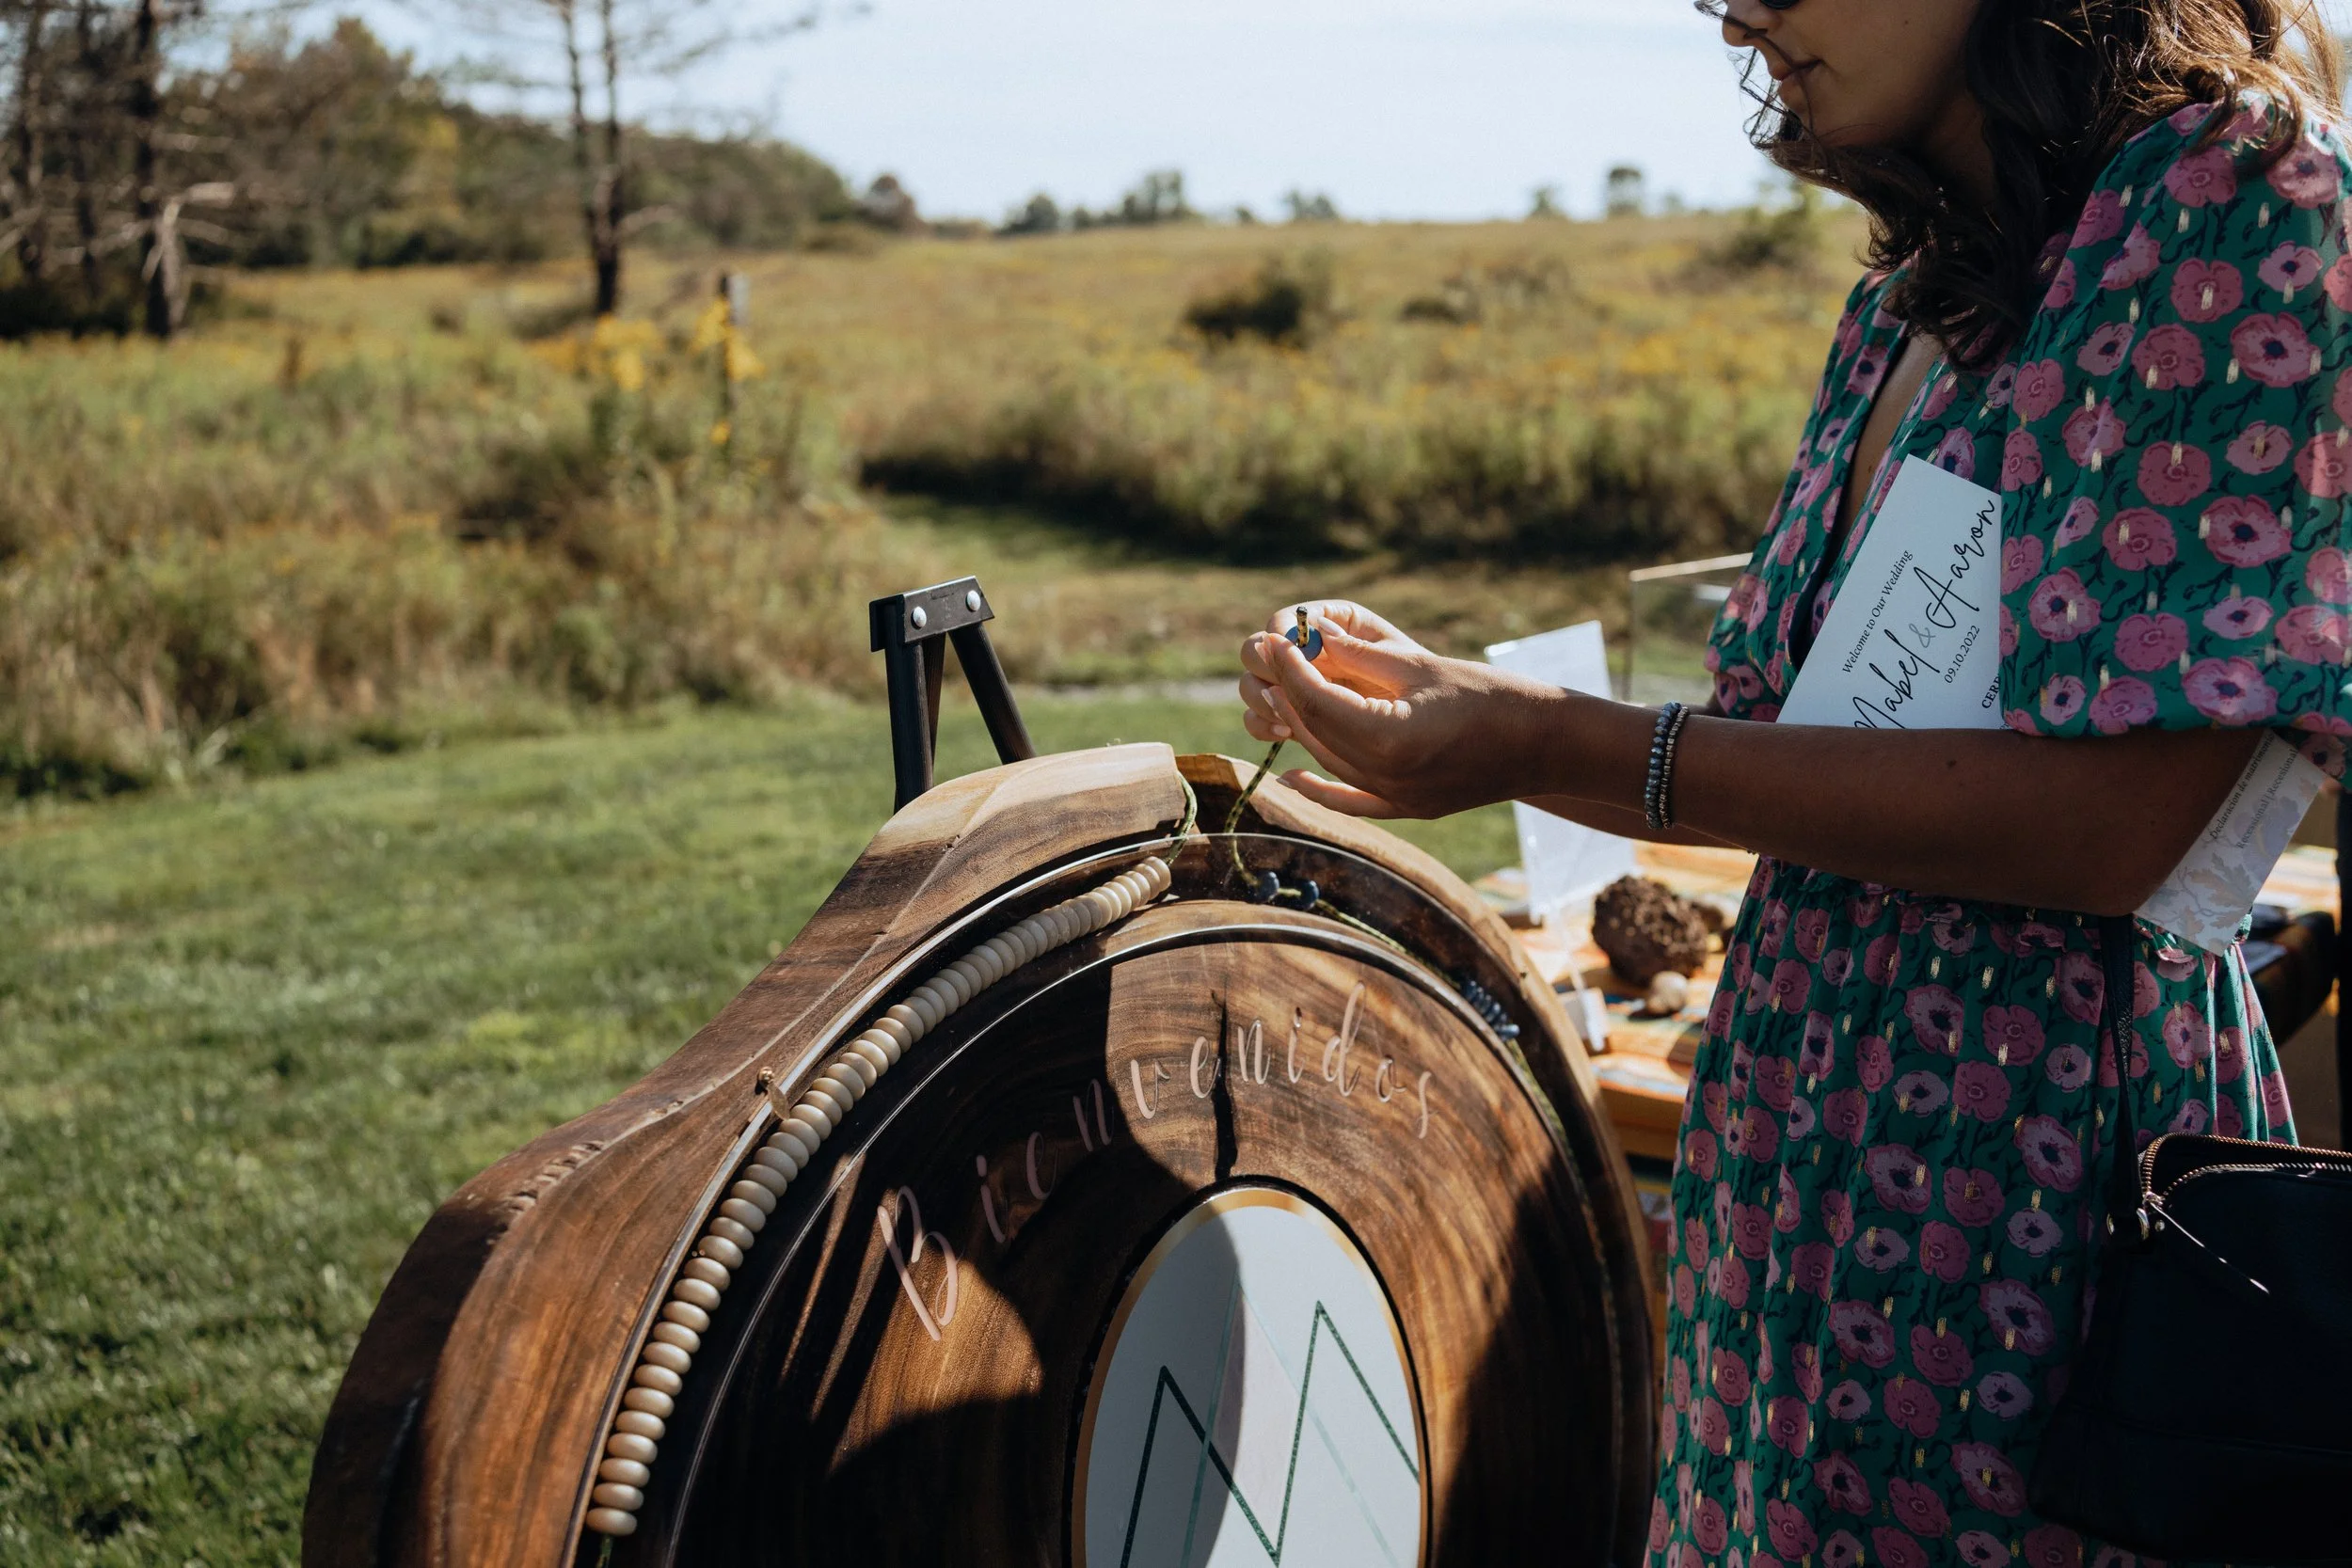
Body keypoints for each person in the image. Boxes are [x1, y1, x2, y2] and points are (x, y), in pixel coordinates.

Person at [1236, 1, 2348, 1561]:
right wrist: (1470, 725)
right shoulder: (1915, 285)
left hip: (2025, 1199)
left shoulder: (2238, 192)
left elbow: (2116, 824)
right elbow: (1792, 748)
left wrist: (1549, 740)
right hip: (1790, 1155)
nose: (1738, 9)